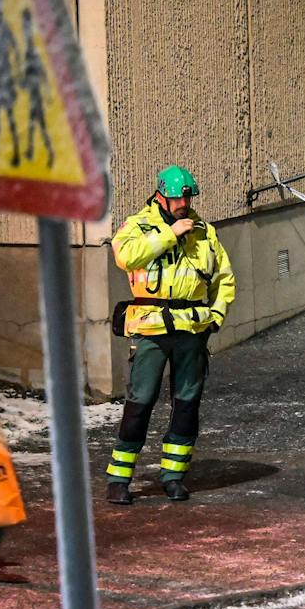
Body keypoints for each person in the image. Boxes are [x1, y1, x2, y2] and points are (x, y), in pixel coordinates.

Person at [106, 165, 236, 504]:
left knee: (187, 403)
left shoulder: (204, 231)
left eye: (188, 195)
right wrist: (169, 235)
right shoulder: (137, 226)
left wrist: (216, 315)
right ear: (162, 194)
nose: (184, 202)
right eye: (179, 196)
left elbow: (224, 277)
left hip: (192, 329)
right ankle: (119, 478)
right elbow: (125, 256)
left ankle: (174, 475)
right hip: (151, 326)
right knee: (140, 401)